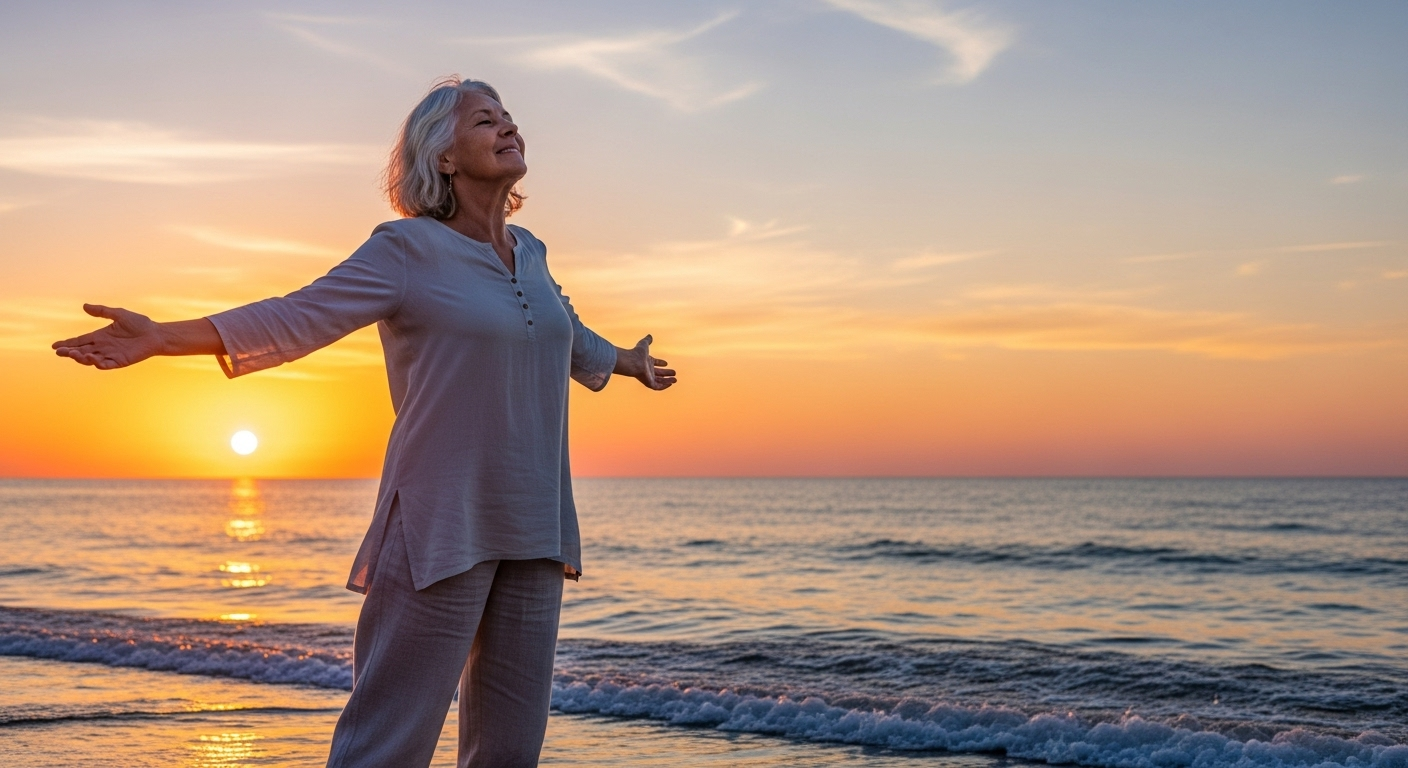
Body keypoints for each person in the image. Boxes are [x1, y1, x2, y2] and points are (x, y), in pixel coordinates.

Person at [51, 77, 676, 767]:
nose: (508, 128)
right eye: (484, 121)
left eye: (509, 118)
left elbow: (565, 334)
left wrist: (627, 363)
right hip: (439, 522)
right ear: (441, 156)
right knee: (387, 744)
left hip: (534, 520)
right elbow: (298, 313)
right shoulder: (405, 251)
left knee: (509, 752)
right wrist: (164, 336)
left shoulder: (531, 252)